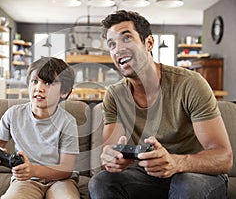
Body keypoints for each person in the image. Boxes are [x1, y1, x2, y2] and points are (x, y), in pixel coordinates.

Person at [88, 10, 233, 199]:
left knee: (186, 185)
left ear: (148, 43)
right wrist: (111, 159)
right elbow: (111, 153)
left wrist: (176, 162)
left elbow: (224, 157)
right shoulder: (115, 95)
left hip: (196, 174)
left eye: (126, 39)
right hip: (147, 176)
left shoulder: (190, 84)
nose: (117, 49)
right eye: (111, 44)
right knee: (101, 182)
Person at [0, 56, 80, 199]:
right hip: (26, 180)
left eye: (48, 83)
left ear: (64, 92)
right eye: (35, 81)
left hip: (60, 180)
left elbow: (66, 169)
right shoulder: (13, 114)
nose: (39, 88)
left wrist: (33, 170)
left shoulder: (68, 122)